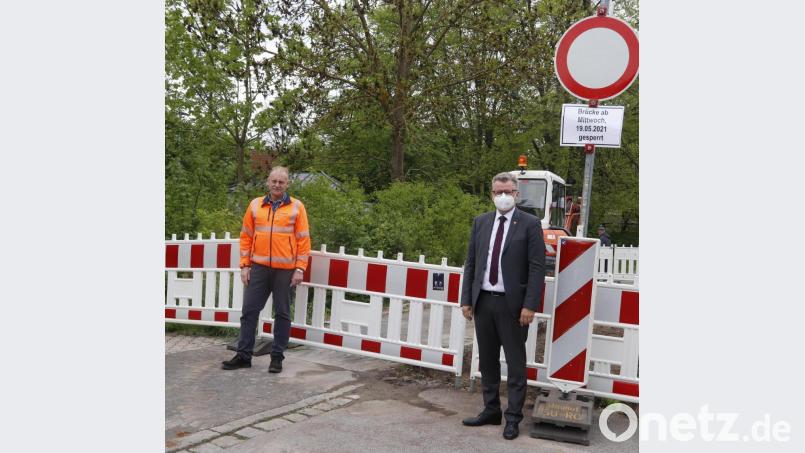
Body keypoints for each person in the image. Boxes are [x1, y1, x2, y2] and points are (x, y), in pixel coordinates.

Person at [460, 172, 546, 440]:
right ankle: (491, 410)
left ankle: (513, 418)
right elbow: (471, 262)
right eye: (498, 192)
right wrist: (466, 299)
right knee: (487, 362)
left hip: (514, 306)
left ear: (517, 194)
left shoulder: (530, 224)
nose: (503, 196)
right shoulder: (481, 222)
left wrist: (530, 304)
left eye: (508, 191)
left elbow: (536, 267)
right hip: (483, 301)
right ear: (492, 194)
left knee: (516, 364)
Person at [222, 166, 311, 374]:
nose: (277, 185)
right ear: (268, 182)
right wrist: (245, 265)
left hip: (285, 270)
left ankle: (277, 358)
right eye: (274, 181)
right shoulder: (255, 205)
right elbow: (246, 237)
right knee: (249, 311)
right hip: (259, 267)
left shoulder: (297, 207)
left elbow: (303, 240)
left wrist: (300, 268)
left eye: (281, 182)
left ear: (287, 184)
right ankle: (244, 355)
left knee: (282, 313)